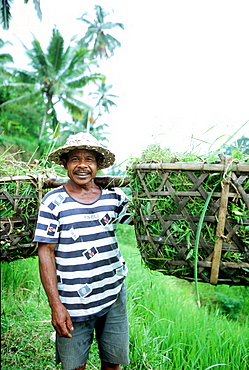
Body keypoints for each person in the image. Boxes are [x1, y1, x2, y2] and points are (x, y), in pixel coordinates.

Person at [33, 132, 131, 370]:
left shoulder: (114, 197)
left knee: (113, 362)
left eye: (89, 159)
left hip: (112, 292)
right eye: (75, 159)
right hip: (71, 301)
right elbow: (45, 251)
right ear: (66, 164)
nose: (82, 165)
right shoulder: (53, 201)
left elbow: (146, 219)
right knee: (75, 366)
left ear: (97, 165)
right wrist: (56, 305)